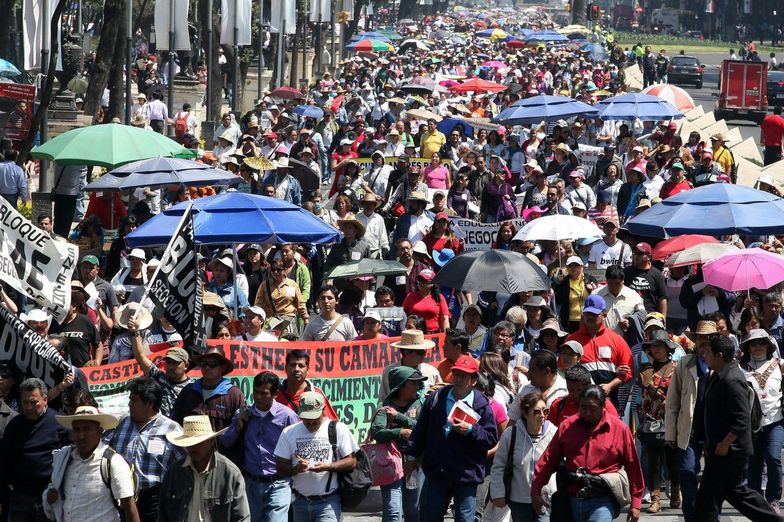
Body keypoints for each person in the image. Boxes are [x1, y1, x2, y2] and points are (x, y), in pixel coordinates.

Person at [696, 334, 781, 521]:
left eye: (708, 352)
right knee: (727, 494)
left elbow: (742, 419)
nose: (704, 355)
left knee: (714, 497)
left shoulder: (732, 379)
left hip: (730, 451)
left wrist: (725, 444)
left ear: (719, 355)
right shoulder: (717, 376)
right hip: (719, 449)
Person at [405, 355, 498, 522]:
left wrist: (470, 429)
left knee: (465, 518)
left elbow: (490, 439)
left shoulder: (482, 405)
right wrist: (411, 457)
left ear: (474, 380)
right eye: (456, 374)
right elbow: (420, 430)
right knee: (430, 517)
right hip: (438, 472)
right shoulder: (436, 398)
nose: (459, 379)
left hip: (466, 474)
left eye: (464, 376)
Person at [531, 385, 644, 522]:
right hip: (569, 500)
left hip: (602, 500)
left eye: (592, 408)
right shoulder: (567, 427)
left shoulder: (620, 430)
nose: (587, 412)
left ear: (603, 407)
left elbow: (633, 467)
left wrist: (636, 504)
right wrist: (536, 491)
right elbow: (548, 460)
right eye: (583, 407)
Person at [222, 371, 299, 522]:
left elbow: (298, 447)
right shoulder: (243, 413)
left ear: (275, 394)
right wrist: (238, 426)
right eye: (255, 392)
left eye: (264, 393)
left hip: (279, 483)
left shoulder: (287, 416)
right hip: (251, 484)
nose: (258, 397)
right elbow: (226, 442)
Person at [44, 406, 140, 522]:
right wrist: (50, 498)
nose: (81, 436)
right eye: (77, 430)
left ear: (100, 431)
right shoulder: (65, 460)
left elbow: (129, 508)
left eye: (87, 429)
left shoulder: (113, 462)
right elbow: (56, 493)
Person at [274, 391, 359, 522]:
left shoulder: (338, 429)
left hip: (328, 502)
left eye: (315, 418)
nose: (311, 422)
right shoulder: (289, 432)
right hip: (299, 502)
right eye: (307, 419)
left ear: (323, 410)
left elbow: (351, 461)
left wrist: (328, 466)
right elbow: (280, 466)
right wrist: (295, 469)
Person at [109, 377, 184, 521]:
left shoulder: (172, 429)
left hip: (155, 500)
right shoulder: (123, 423)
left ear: (150, 403)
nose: (130, 405)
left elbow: (185, 466)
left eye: (134, 401)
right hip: (122, 497)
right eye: (130, 400)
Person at [665, 319, 715, 522]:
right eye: (701, 338)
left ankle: (712, 516)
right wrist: (670, 433)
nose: (705, 342)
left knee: (713, 478)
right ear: (696, 340)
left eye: (709, 338)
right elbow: (672, 401)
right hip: (689, 429)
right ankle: (692, 516)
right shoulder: (685, 363)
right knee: (686, 472)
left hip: (714, 431)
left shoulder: (722, 363)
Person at [159, 414, 251, 520]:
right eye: (189, 443)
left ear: (211, 442)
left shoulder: (230, 474)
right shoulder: (174, 473)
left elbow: (242, 517)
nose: (192, 447)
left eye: (198, 443)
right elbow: (163, 514)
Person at [370, 366, 427, 522]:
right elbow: (377, 432)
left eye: (418, 383)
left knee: (414, 511)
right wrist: (398, 433)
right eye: (413, 383)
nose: (418, 387)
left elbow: (425, 429)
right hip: (390, 465)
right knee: (393, 512)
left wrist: (401, 418)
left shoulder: (422, 404)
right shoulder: (385, 407)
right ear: (401, 385)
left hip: (414, 465)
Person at [489, 392, 557, 522]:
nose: (542, 416)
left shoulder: (553, 433)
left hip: (545, 499)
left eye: (545, 411)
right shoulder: (511, 434)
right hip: (519, 500)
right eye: (537, 412)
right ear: (525, 414)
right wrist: (498, 493)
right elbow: (499, 466)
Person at [738, 330, 784, 512]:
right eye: (754, 344)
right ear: (748, 347)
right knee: (754, 462)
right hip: (752, 424)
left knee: (773, 457)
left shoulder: (780, 365)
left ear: (768, 346)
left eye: (761, 343)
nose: (758, 347)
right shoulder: (741, 369)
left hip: (775, 419)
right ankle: (756, 500)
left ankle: (773, 498)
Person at [635, 330, 680, 513]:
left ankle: (676, 490)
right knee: (653, 462)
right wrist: (649, 366)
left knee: (672, 461)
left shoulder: (677, 368)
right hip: (650, 421)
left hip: (671, 420)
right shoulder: (645, 370)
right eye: (653, 346)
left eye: (660, 345)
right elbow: (642, 385)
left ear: (667, 348)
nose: (656, 349)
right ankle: (655, 499)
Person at [566, 295, 634, 408]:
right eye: (588, 314)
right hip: (579, 403)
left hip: (609, 401)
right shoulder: (572, 340)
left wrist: (610, 386)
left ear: (604, 314)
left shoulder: (616, 339)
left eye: (595, 314)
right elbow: (563, 370)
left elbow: (628, 371)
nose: (590, 317)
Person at [171, 346, 246, 431]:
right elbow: (175, 423)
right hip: (188, 444)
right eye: (204, 364)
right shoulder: (188, 391)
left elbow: (241, 428)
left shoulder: (234, 395)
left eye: (212, 364)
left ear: (223, 368)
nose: (207, 367)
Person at [129, 320, 192, 418]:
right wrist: (135, 332)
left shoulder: (192, 387)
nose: (170, 367)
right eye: (168, 363)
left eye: (175, 363)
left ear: (186, 365)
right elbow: (140, 356)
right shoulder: (158, 376)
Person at [379, 329, 443, 402]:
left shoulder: (432, 372)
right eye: (420, 352)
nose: (424, 355)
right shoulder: (389, 371)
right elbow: (382, 399)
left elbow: (441, 397)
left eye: (424, 351)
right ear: (407, 352)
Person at [275, 349, 338, 420]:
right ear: (286, 368)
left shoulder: (316, 393)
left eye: (301, 366)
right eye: (292, 365)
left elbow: (331, 422)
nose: (296, 369)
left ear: (307, 370)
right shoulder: (275, 394)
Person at [548, 365, 619, 426]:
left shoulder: (604, 405)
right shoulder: (558, 405)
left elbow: (615, 430)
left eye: (579, 390)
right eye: (571, 390)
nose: (575, 394)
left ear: (588, 386)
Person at [510, 350, 568, 421]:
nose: (529, 373)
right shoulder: (526, 390)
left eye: (533, 370)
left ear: (547, 371)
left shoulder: (566, 391)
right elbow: (513, 420)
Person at [554, 256, 598, 332]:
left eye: (576, 265)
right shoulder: (564, 282)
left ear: (582, 267)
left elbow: (597, 300)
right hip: (570, 321)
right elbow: (557, 301)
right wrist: (558, 284)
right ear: (567, 268)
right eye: (570, 265)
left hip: (588, 319)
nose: (573, 268)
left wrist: (592, 291)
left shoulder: (590, 279)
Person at [624, 242, 667, 315]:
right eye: (635, 253)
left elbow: (662, 298)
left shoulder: (656, 274)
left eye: (640, 254)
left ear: (649, 257)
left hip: (650, 316)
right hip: (629, 314)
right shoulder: (626, 272)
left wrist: (663, 318)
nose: (636, 256)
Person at [402, 269, 450, 334]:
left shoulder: (439, 297)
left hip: (433, 334)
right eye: (420, 280)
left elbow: (445, 318)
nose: (421, 283)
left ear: (432, 284)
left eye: (425, 281)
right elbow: (402, 314)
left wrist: (446, 334)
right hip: (414, 334)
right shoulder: (410, 296)